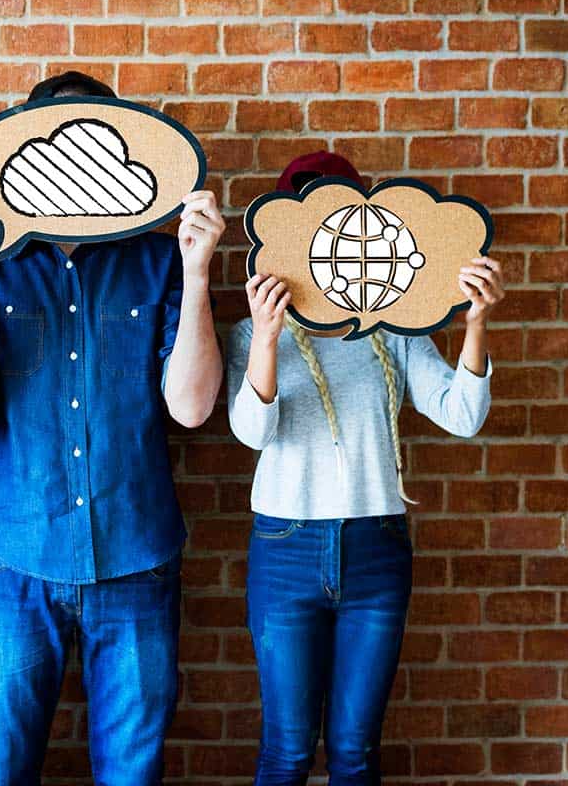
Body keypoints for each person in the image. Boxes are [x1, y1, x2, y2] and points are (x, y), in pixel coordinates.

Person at [0, 71, 224, 786]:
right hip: (15, 554)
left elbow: (191, 407)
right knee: (0, 771)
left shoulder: (158, 260)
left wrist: (196, 269)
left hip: (136, 553)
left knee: (132, 773)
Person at [226, 151, 504, 784]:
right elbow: (252, 432)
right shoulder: (251, 332)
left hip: (376, 546)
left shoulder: (397, 328)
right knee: (287, 750)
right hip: (285, 545)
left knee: (355, 752)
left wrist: (477, 322)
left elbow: (461, 414)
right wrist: (267, 339)